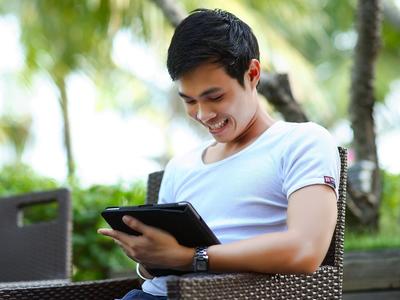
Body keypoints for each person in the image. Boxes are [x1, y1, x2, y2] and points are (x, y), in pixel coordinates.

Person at [98, 8, 340, 300]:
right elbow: (160, 266)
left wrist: (190, 257)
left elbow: (306, 250)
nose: (203, 114)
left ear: (252, 74)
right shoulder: (181, 165)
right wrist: (150, 257)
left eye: (215, 97)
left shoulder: (301, 141)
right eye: (189, 101)